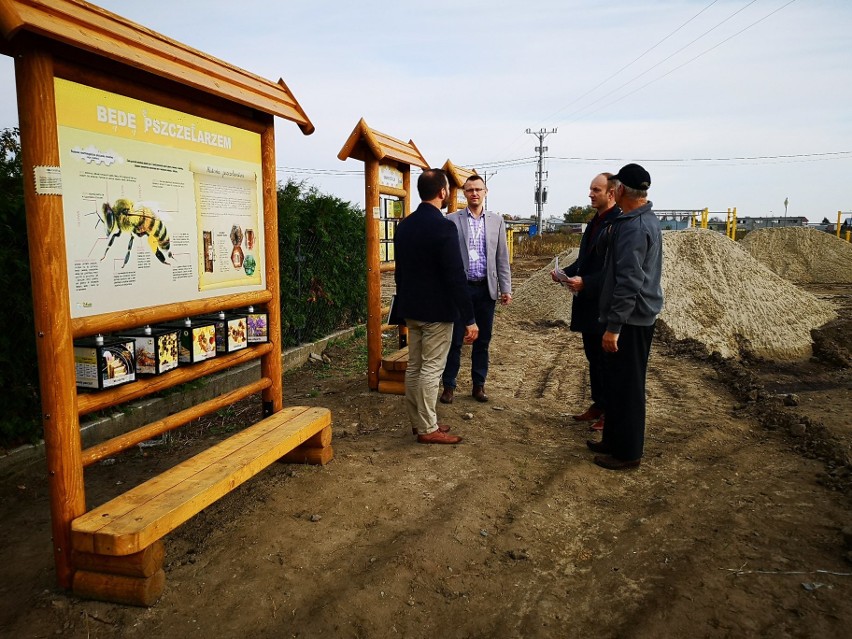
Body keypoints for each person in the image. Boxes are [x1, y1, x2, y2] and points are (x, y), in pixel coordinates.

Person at [587, 163, 663, 470]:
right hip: (630, 317)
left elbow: (630, 281)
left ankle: (628, 453)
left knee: (629, 389)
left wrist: (614, 327)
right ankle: (613, 441)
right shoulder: (635, 221)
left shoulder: (635, 228)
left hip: (632, 320)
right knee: (618, 385)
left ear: (619, 191)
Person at [394, 169, 479, 444]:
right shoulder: (444, 227)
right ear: (443, 192)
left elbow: (400, 273)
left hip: (412, 310)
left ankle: (419, 423)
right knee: (431, 369)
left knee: (415, 367)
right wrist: (469, 318)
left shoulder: (404, 226)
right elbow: (455, 275)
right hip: (437, 313)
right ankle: (428, 428)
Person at [551, 173, 621, 432]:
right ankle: (599, 404)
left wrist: (587, 283)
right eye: (590, 189)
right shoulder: (595, 222)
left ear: (611, 193)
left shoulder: (617, 224)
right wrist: (565, 273)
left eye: (596, 190)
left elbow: (614, 270)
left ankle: (611, 412)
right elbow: (585, 261)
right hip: (588, 305)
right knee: (594, 357)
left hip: (604, 305)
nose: (590, 194)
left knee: (607, 361)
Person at [440, 175, 512, 404]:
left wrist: (505, 288)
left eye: (478, 189)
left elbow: (502, 257)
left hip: (486, 289)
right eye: (470, 190)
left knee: (483, 340)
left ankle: (478, 385)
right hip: (461, 291)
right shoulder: (451, 220)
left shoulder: (496, 221)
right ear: (464, 193)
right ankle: (449, 386)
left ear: (486, 192)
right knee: (455, 341)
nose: (474, 193)